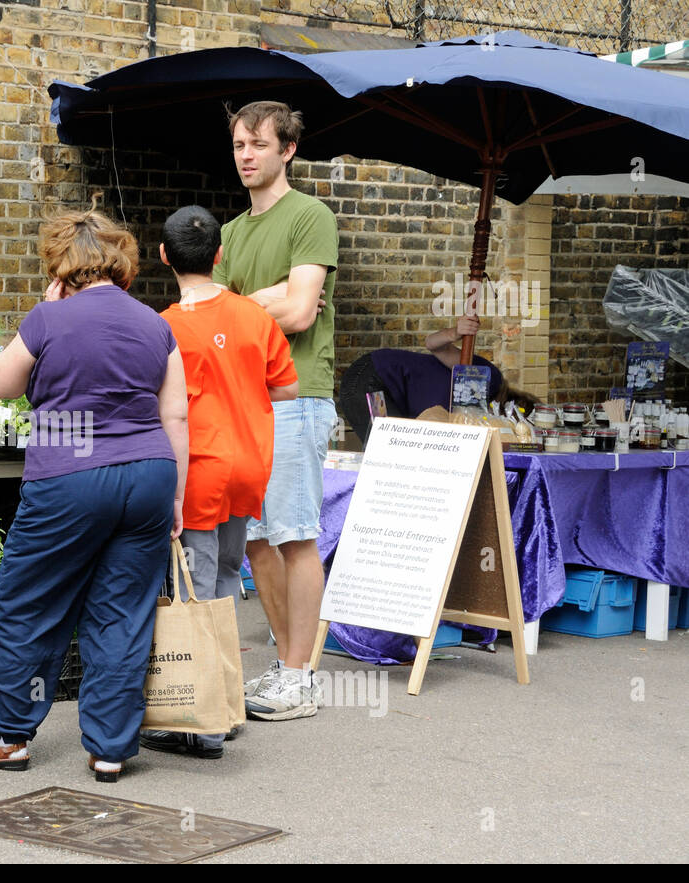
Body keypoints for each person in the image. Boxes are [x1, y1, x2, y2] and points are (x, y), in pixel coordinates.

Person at [0, 207, 189, 782]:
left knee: (30, 605)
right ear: (120, 261)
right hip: (149, 473)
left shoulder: (51, 319)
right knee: (123, 613)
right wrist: (176, 492)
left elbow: (2, 383)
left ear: (60, 266)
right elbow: (175, 410)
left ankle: (6, 735)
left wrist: (45, 315)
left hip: (69, 477)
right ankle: (110, 748)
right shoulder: (156, 324)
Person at [139, 205, 299, 760]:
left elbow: (161, 407)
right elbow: (285, 389)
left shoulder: (165, 327)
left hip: (200, 469)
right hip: (250, 461)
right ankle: (226, 707)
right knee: (230, 580)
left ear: (163, 257)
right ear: (220, 254)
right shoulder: (255, 316)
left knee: (197, 590)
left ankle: (204, 726)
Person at [213, 101, 338, 721]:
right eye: (239, 144)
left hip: (295, 395)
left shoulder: (309, 215)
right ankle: (288, 667)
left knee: (295, 536)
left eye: (258, 144)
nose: (246, 155)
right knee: (256, 541)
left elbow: (299, 311)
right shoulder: (231, 233)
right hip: (244, 400)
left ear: (287, 150)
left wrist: (250, 307)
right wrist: (262, 303)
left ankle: (302, 674)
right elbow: (220, 315)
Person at [339, 315, 537, 445]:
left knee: (396, 448)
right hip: (372, 380)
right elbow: (433, 344)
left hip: (374, 383)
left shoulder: (472, 418)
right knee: (390, 446)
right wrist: (455, 332)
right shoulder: (489, 379)